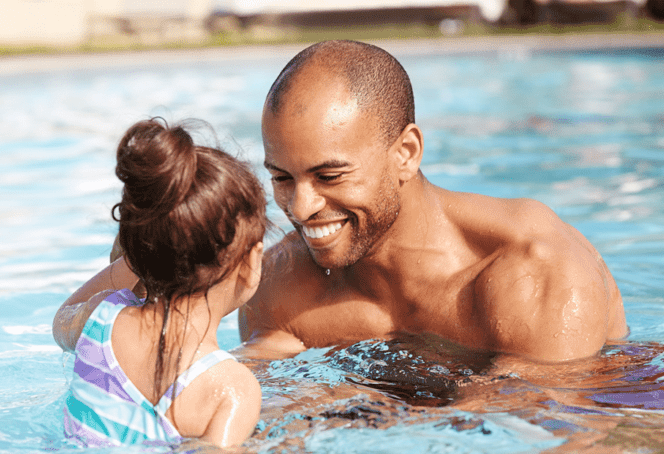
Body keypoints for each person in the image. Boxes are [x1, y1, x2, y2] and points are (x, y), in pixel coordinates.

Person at [239, 40, 628, 364]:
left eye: (330, 176)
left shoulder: (532, 270)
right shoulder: (278, 287)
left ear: (406, 153)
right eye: (282, 178)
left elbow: (548, 433)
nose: (301, 208)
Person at [52, 119, 268, 448]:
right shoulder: (232, 388)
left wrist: (138, 259)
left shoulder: (102, 318)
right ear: (252, 262)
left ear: (138, 254)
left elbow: (61, 321)